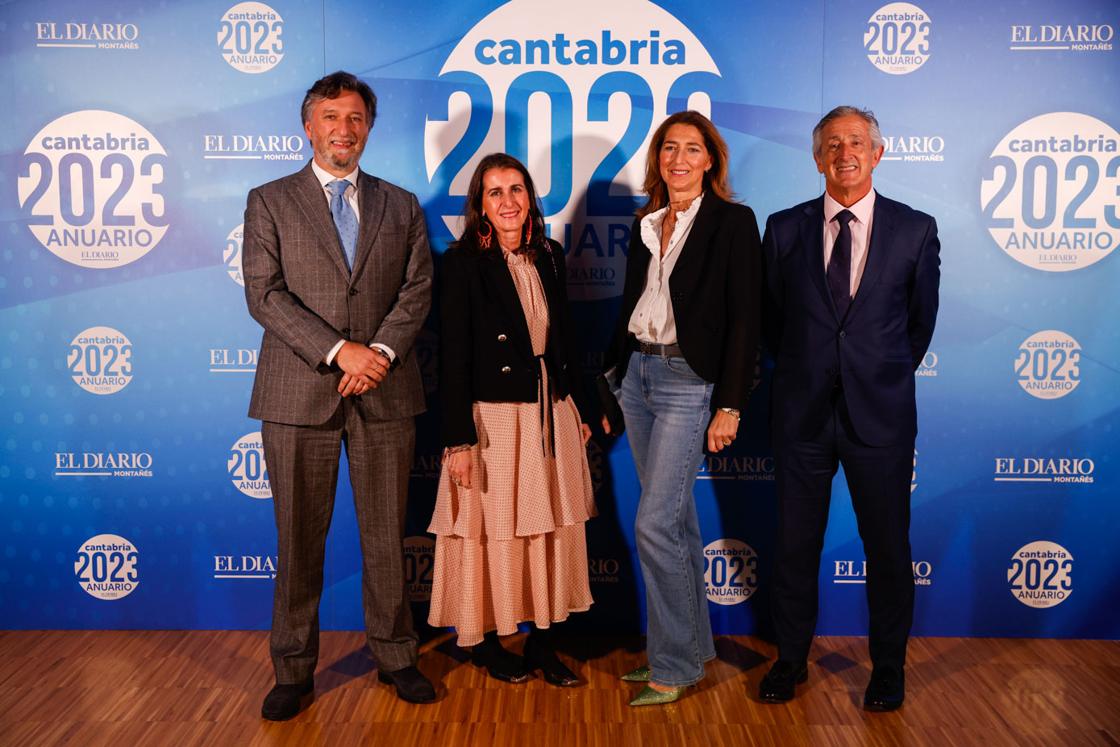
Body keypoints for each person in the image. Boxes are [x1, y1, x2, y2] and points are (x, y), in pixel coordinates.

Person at [242, 71, 436, 720]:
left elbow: (417, 290)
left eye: (355, 118)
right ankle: (293, 669)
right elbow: (264, 294)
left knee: (387, 537)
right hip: (299, 395)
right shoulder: (268, 199)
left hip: (384, 391)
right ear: (308, 126)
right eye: (331, 117)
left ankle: (396, 655)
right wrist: (338, 350)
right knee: (298, 541)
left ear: (369, 128)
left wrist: (377, 353)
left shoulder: (402, 204)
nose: (343, 129)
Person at [758, 106, 940, 711]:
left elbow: (918, 328)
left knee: (888, 549)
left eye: (856, 142)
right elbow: (773, 323)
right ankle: (790, 661)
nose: (845, 153)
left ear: (878, 153)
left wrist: (875, 375)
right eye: (832, 144)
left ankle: (888, 668)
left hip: (879, 419)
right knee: (794, 546)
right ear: (817, 159)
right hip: (802, 416)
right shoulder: (783, 229)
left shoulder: (916, 230)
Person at [601, 111, 762, 706]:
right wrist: (611, 374)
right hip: (638, 375)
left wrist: (732, 405)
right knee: (678, 523)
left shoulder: (733, 223)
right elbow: (634, 304)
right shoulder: (648, 222)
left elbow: (747, 319)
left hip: (689, 382)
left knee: (654, 523)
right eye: (670, 148)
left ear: (711, 161)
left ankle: (670, 664)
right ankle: (691, 650)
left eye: (692, 149)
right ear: (658, 159)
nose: (679, 159)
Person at [427, 153, 596, 687]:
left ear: (530, 198)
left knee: (548, 530)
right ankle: (493, 643)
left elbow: (565, 336)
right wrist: (457, 440)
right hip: (493, 419)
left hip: (550, 411)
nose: (508, 201)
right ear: (480, 204)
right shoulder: (460, 264)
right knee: (496, 532)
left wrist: (577, 407)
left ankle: (544, 643)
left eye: (517, 189)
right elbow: (452, 356)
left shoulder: (548, 253)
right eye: (495, 192)